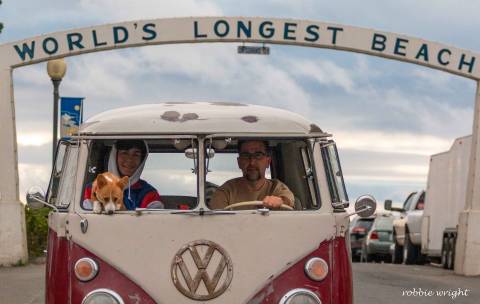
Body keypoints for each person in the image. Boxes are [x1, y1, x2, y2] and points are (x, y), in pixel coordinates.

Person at [209, 140, 294, 210]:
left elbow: (288, 199)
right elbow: (217, 222)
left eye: (258, 155)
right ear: (239, 162)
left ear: (268, 162)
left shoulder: (276, 187)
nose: (252, 162)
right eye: (246, 155)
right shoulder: (226, 191)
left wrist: (279, 201)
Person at [83, 140, 163, 210]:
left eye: (136, 154)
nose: (129, 159)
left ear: (142, 160)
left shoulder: (149, 194)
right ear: (115, 156)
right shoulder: (93, 189)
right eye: (124, 153)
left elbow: (154, 223)